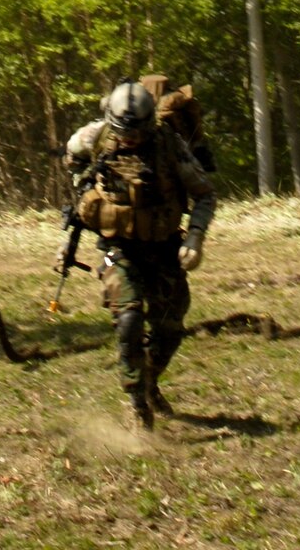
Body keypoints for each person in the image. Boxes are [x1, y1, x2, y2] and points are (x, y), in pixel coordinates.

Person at [59, 78, 215, 430]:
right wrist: (85, 188)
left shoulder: (169, 146)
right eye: (122, 132)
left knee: (170, 329)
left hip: (164, 247)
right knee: (128, 319)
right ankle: (136, 402)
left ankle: (148, 381)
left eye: (136, 133)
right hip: (119, 250)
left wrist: (195, 238)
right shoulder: (95, 137)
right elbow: (71, 160)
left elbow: (205, 194)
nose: (128, 140)